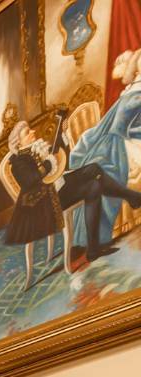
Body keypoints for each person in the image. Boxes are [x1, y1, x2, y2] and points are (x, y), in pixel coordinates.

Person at [63, 48, 141, 268]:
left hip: (127, 137)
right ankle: (94, 243)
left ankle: (94, 244)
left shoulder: (134, 93)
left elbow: (123, 127)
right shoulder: (133, 92)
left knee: (100, 167)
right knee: (99, 167)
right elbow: (118, 126)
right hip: (122, 137)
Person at [2, 120, 65, 284]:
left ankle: (51, 254)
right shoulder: (18, 162)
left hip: (45, 193)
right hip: (32, 204)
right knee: (30, 240)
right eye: (27, 133)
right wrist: (48, 164)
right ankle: (30, 274)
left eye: (30, 130)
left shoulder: (34, 149)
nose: (33, 132)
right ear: (19, 142)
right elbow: (31, 179)